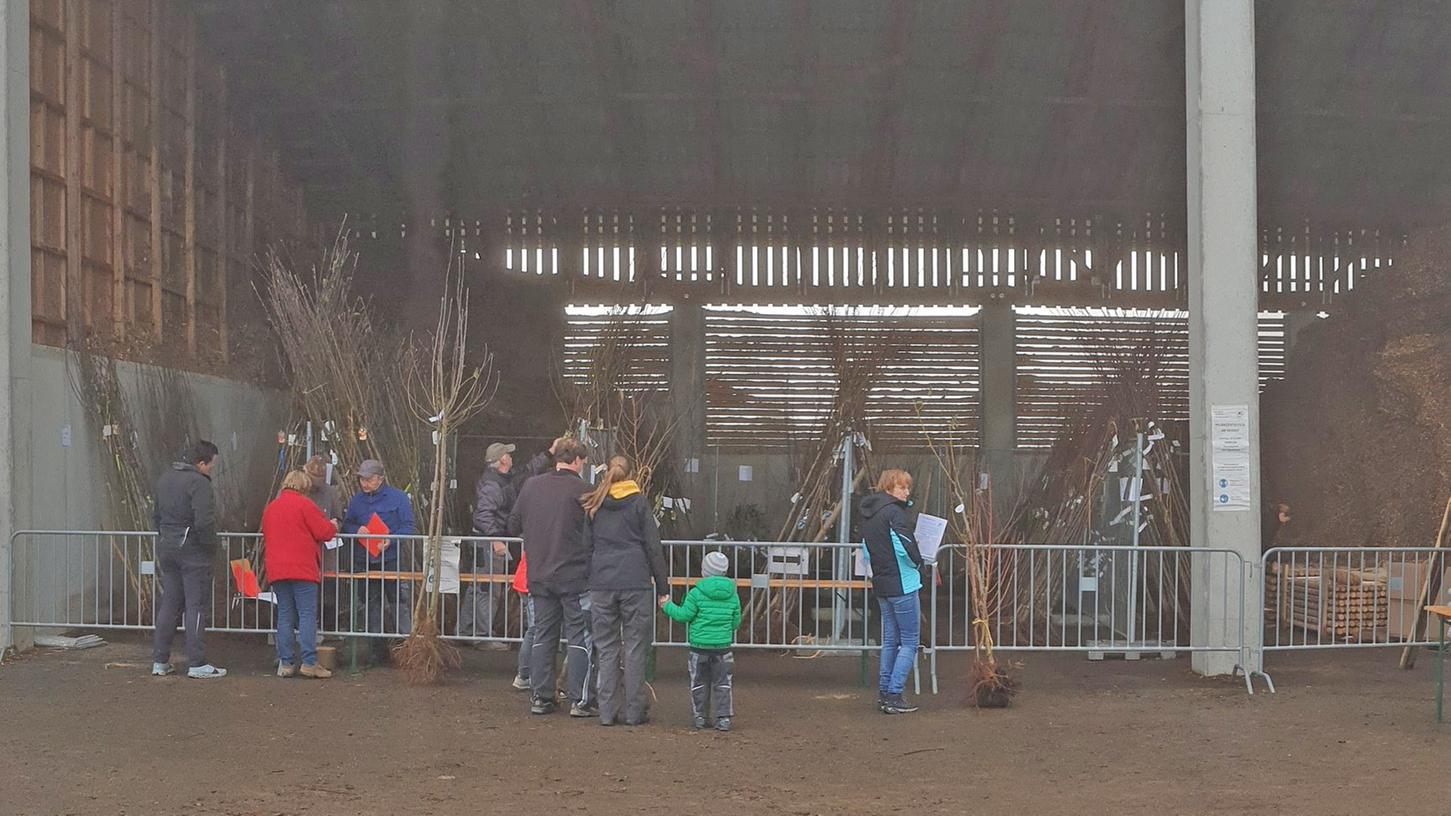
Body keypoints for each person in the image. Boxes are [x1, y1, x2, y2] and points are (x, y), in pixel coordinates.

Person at [508, 437, 596, 717]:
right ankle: (580, 700)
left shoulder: (532, 486)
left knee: (543, 636)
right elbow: (595, 531)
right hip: (575, 576)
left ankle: (541, 697)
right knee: (579, 636)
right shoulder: (585, 490)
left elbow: (513, 524)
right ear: (578, 461)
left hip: (540, 574)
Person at [583, 456, 671, 726]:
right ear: (632, 475)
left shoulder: (594, 505)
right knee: (635, 647)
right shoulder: (639, 503)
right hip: (636, 581)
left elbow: (586, 547)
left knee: (606, 647)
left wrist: (590, 578)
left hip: (602, 583)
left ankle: (607, 712)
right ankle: (634, 712)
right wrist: (663, 588)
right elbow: (653, 547)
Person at [151, 440, 227, 679]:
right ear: (201, 462)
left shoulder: (165, 478)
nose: (211, 470)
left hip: (167, 547)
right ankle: (197, 662)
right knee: (195, 606)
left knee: (169, 604)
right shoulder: (199, 483)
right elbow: (204, 520)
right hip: (193, 551)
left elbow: (155, 515)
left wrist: (165, 536)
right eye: (211, 465)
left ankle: (160, 660)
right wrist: (210, 546)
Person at [262, 470, 340, 679]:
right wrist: (333, 525)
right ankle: (309, 662)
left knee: (285, 614)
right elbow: (324, 532)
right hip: (303, 568)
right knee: (306, 615)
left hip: (277, 569)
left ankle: (285, 663)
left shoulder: (271, 508)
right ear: (304, 488)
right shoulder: (305, 505)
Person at [859, 468, 923, 715]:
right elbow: (905, 547)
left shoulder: (868, 514)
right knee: (909, 642)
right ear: (889, 488)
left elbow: (866, 550)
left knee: (889, 641)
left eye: (908, 487)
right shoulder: (895, 513)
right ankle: (894, 694)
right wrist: (920, 563)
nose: (907, 491)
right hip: (903, 583)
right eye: (902, 487)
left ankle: (884, 693)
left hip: (882, 583)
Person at [341, 459, 417, 659]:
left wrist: (391, 540)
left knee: (398, 601)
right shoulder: (356, 501)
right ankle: (376, 648)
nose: (364, 483)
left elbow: (408, 527)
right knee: (370, 604)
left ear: (380, 479)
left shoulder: (398, 498)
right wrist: (357, 530)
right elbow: (346, 525)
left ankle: (406, 645)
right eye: (361, 479)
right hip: (364, 559)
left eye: (368, 479)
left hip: (391, 559)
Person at [661, 550, 741, 731]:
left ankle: (700, 717)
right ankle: (724, 719)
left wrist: (667, 605)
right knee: (723, 683)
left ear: (704, 571)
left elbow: (683, 615)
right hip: (723, 648)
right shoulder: (733, 594)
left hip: (699, 647)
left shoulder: (696, 593)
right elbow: (736, 622)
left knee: (698, 683)